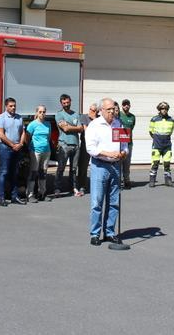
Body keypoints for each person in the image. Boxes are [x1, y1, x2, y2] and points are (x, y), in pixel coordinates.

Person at [86, 98, 129, 247]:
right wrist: (108, 153)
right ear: (101, 110)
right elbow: (90, 148)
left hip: (116, 166)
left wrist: (123, 153)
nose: (112, 112)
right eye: (109, 109)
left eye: (113, 109)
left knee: (114, 202)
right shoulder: (94, 125)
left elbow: (124, 145)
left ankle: (110, 232)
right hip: (100, 165)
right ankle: (95, 234)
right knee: (97, 201)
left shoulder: (118, 124)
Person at [0, 97, 26, 206]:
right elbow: (1, 134)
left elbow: (23, 132)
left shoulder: (19, 118)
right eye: (11, 106)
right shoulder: (1, 118)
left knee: (15, 173)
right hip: (5, 148)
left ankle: (14, 196)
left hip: (17, 148)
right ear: (6, 106)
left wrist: (21, 144)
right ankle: (1, 198)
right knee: (4, 172)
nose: (13, 108)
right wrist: (13, 145)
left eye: (14, 106)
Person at [55, 94, 83, 197]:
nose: (66, 105)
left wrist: (69, 126)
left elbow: (81, 129)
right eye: (64, 103)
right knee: (61, 168)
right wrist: (75, 127)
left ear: (71, 101)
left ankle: (74, 188)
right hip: (64, 145)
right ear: (61, 103)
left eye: (67, 102)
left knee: (74, 169)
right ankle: (57, 188)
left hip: (76, 145)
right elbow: (65, 129)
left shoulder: (76, 114)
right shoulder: (59, 114)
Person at [26, 105, 52, 203]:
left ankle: (42, 193)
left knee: (43, 173)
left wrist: (45, 146)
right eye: (40, 112)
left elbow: (48, 138)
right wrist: (31, 148)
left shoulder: (48, 124)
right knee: (33, 172)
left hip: (46, 151)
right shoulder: (32, 124)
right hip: (35, 151)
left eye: (44, 112)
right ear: (37, 113)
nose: (42, 114)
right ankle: (30, 194)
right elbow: (27, 138)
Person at [148, 101, 174, 188]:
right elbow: (151, 131)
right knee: (155, 163)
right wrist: (157, 139)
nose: (164, 110)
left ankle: (168, 181)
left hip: (167, 145)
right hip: (157, 144)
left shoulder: (171, 120)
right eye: (162, 109)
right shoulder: (154, 119)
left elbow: (171, 132)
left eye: (166, 109)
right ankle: (152, 181)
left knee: (167, 163)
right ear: (159, 110)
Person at [76, 103, 99, 195]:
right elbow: (87, 130)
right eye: (90, 109)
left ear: (97, 112)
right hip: (86, 145)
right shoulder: (84, 117)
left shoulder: (99, 118)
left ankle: (97, 186)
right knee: (83, 167)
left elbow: (101, 131)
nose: (90, 112)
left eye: (93, 110)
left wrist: (94, 119)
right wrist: (95, 122)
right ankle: (82, 186)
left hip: (97, 146)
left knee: (98, 166)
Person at [118, 99, 136, 189]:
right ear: (122, 106)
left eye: (127, 105)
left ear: (129, 106)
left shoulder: (132, 117)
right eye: (124, 105)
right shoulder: (118, 115)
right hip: (119, 143)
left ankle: (126, 180)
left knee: (127, 163)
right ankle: (119, 181)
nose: (126, 106)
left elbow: (131, 128)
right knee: (119, 163)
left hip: (129, 143)